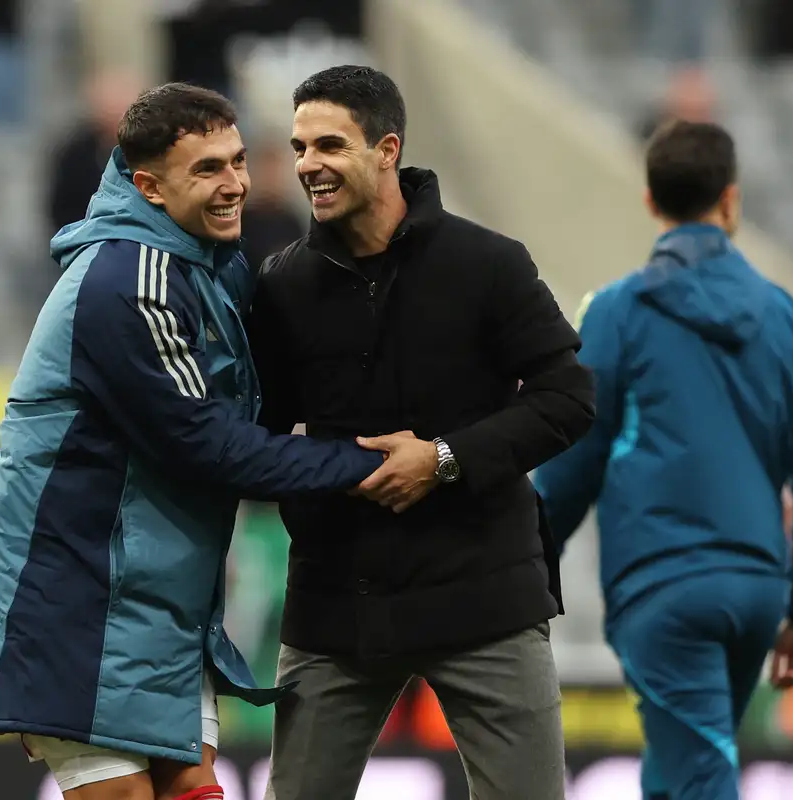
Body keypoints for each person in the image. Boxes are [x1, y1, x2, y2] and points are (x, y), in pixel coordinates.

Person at [0, 82, 417, 800]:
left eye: (237, 161)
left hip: (158, 595)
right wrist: (365, 465)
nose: (234, 183)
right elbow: (211, 446)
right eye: (207, 169)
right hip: (79, 597)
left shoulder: (206, 264)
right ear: (148, 186)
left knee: (193, 790)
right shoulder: (127, 279)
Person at [247, 65, 596, 800]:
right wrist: (323, 476)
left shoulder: (489, 264)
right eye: (300, 146)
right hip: (336, 604)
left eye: (330, 145)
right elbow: (258, 438)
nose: (308, 164)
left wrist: (442, 459)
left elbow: (569, 399)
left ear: (388, 150)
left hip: (485, 600)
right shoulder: (280, 285)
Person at [533, 120, 793, 800]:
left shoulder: (617, 312)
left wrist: (525, 564)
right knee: (678, 771)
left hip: (664, 585)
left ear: (651, 201)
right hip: (756, 590)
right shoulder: (790, 321)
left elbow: (573, 456)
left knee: (698, 776)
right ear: (731, 199)